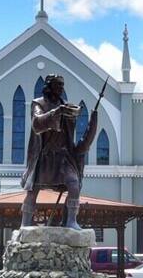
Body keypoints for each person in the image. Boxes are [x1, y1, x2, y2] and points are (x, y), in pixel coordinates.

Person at [18, 74, 100, 230]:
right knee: (33, 190)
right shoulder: (38, 104)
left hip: (63, 157)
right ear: (48, 86)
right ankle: (25, 222)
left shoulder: (66, 106)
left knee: (74, 185)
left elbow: (73, 135)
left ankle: (71, 221)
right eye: (58, 85)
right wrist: (57, 112)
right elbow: (37, 123)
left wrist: (87, 118)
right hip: (44, 157)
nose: (61, 88)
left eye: (62, 85)